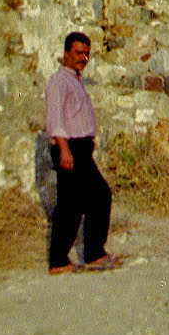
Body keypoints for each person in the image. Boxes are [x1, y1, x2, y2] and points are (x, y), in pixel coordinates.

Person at [44, 31, 120, 274]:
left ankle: (80, 255)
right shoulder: (59, 81)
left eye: (86, 54)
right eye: (78, 53)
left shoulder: (76, 80)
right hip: (70, 148)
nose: (83, 58)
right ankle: (69, 258)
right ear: (66, 53)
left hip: (80, 148)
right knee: (91, 198)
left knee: (79, 202)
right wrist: (66, 150)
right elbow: (55, 119)